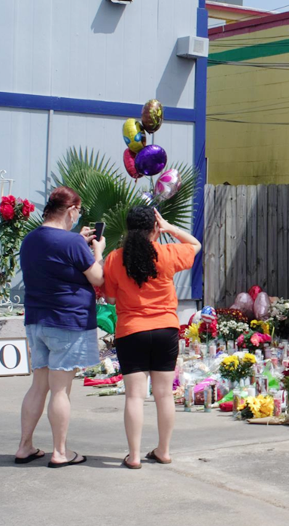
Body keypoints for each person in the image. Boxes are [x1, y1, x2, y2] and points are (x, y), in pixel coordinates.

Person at [102, 207, 200, 469]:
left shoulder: (114, 258)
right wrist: (169, 228)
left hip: (131, 331)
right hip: (166, 329)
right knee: (164, 395)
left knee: (134, 396)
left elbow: (110, 299)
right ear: (154, 227)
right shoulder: (167, 254)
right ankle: (164, 451)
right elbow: (195, 244)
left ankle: (133, 456)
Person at [16, 186, 105, 467]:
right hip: (67, 321)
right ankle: (59, 452)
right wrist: (98, 252)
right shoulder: (72, 243)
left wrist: (78, 243)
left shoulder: (30, 240)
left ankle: (24, 446)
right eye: (78, 211)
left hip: (36, 320)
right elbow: (98, 278)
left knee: (38, 385)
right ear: (71, 211)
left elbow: (54, 262)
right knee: (60, 390)